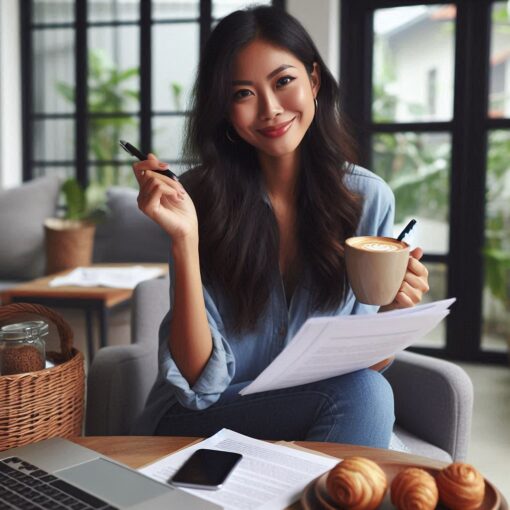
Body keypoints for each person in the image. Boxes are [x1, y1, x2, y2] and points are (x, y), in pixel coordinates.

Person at [131, 5, 429, 448]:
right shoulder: (196, 199)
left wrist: (393, 315)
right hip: (201, 420)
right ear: (225, 108)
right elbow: (197, 384)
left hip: (310, 410)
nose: (270, 109)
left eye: (283, 81)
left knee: (365, 393)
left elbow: (361, 369)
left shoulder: (367, 199)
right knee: (364, 399)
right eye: (243, 93)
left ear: (313, 80)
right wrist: (185, 239)